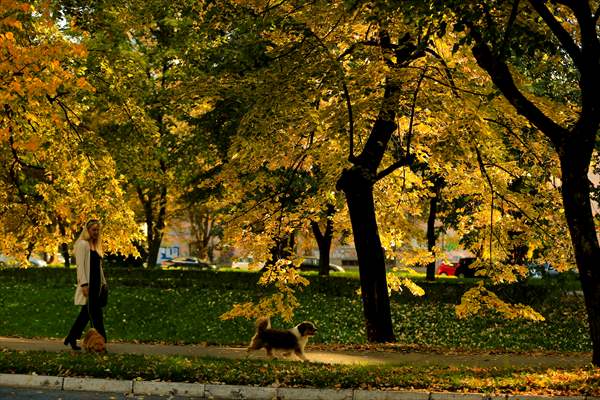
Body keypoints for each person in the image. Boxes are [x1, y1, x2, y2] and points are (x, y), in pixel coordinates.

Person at [64, 219, 108, 350]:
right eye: (94, 230)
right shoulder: (82, 244)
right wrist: (83, 284)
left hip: (97, 285)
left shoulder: (95, 245)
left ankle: (71, 338)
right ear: (87, 230)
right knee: (96, 315)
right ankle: (101, 343)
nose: (96, 232)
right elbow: (80, 267)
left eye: (97, 230)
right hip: (88, 284)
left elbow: (98, 267)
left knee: (85, 314)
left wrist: (104, 283)